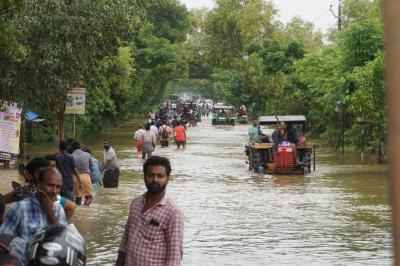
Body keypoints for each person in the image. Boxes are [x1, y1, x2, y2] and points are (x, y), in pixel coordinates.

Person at [116, 156, 184, 266]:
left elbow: (174, 258)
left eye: (160, 176)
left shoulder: (173, 213)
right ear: (144, 176)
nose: (155, 179)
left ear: (167, 179)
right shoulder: (135, 203)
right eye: (151, 175)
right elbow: (125, 242)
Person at [0, 167, 67, 265]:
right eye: (50, 185)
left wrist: (50, 213)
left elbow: (64, 242)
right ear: (38, 184)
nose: (54, 191)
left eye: (58, 187)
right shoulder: (19, 208)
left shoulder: (58, 209)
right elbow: (3, 241)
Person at [72, 141, 93, 206]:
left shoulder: (71, 156)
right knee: (89, 197)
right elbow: (91, 167)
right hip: (86, 177)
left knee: (78, 198)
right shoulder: (88, 155)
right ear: (80, 147)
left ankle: (79, 211)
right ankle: (84, 210)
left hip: (75, 178)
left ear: (72, 148)